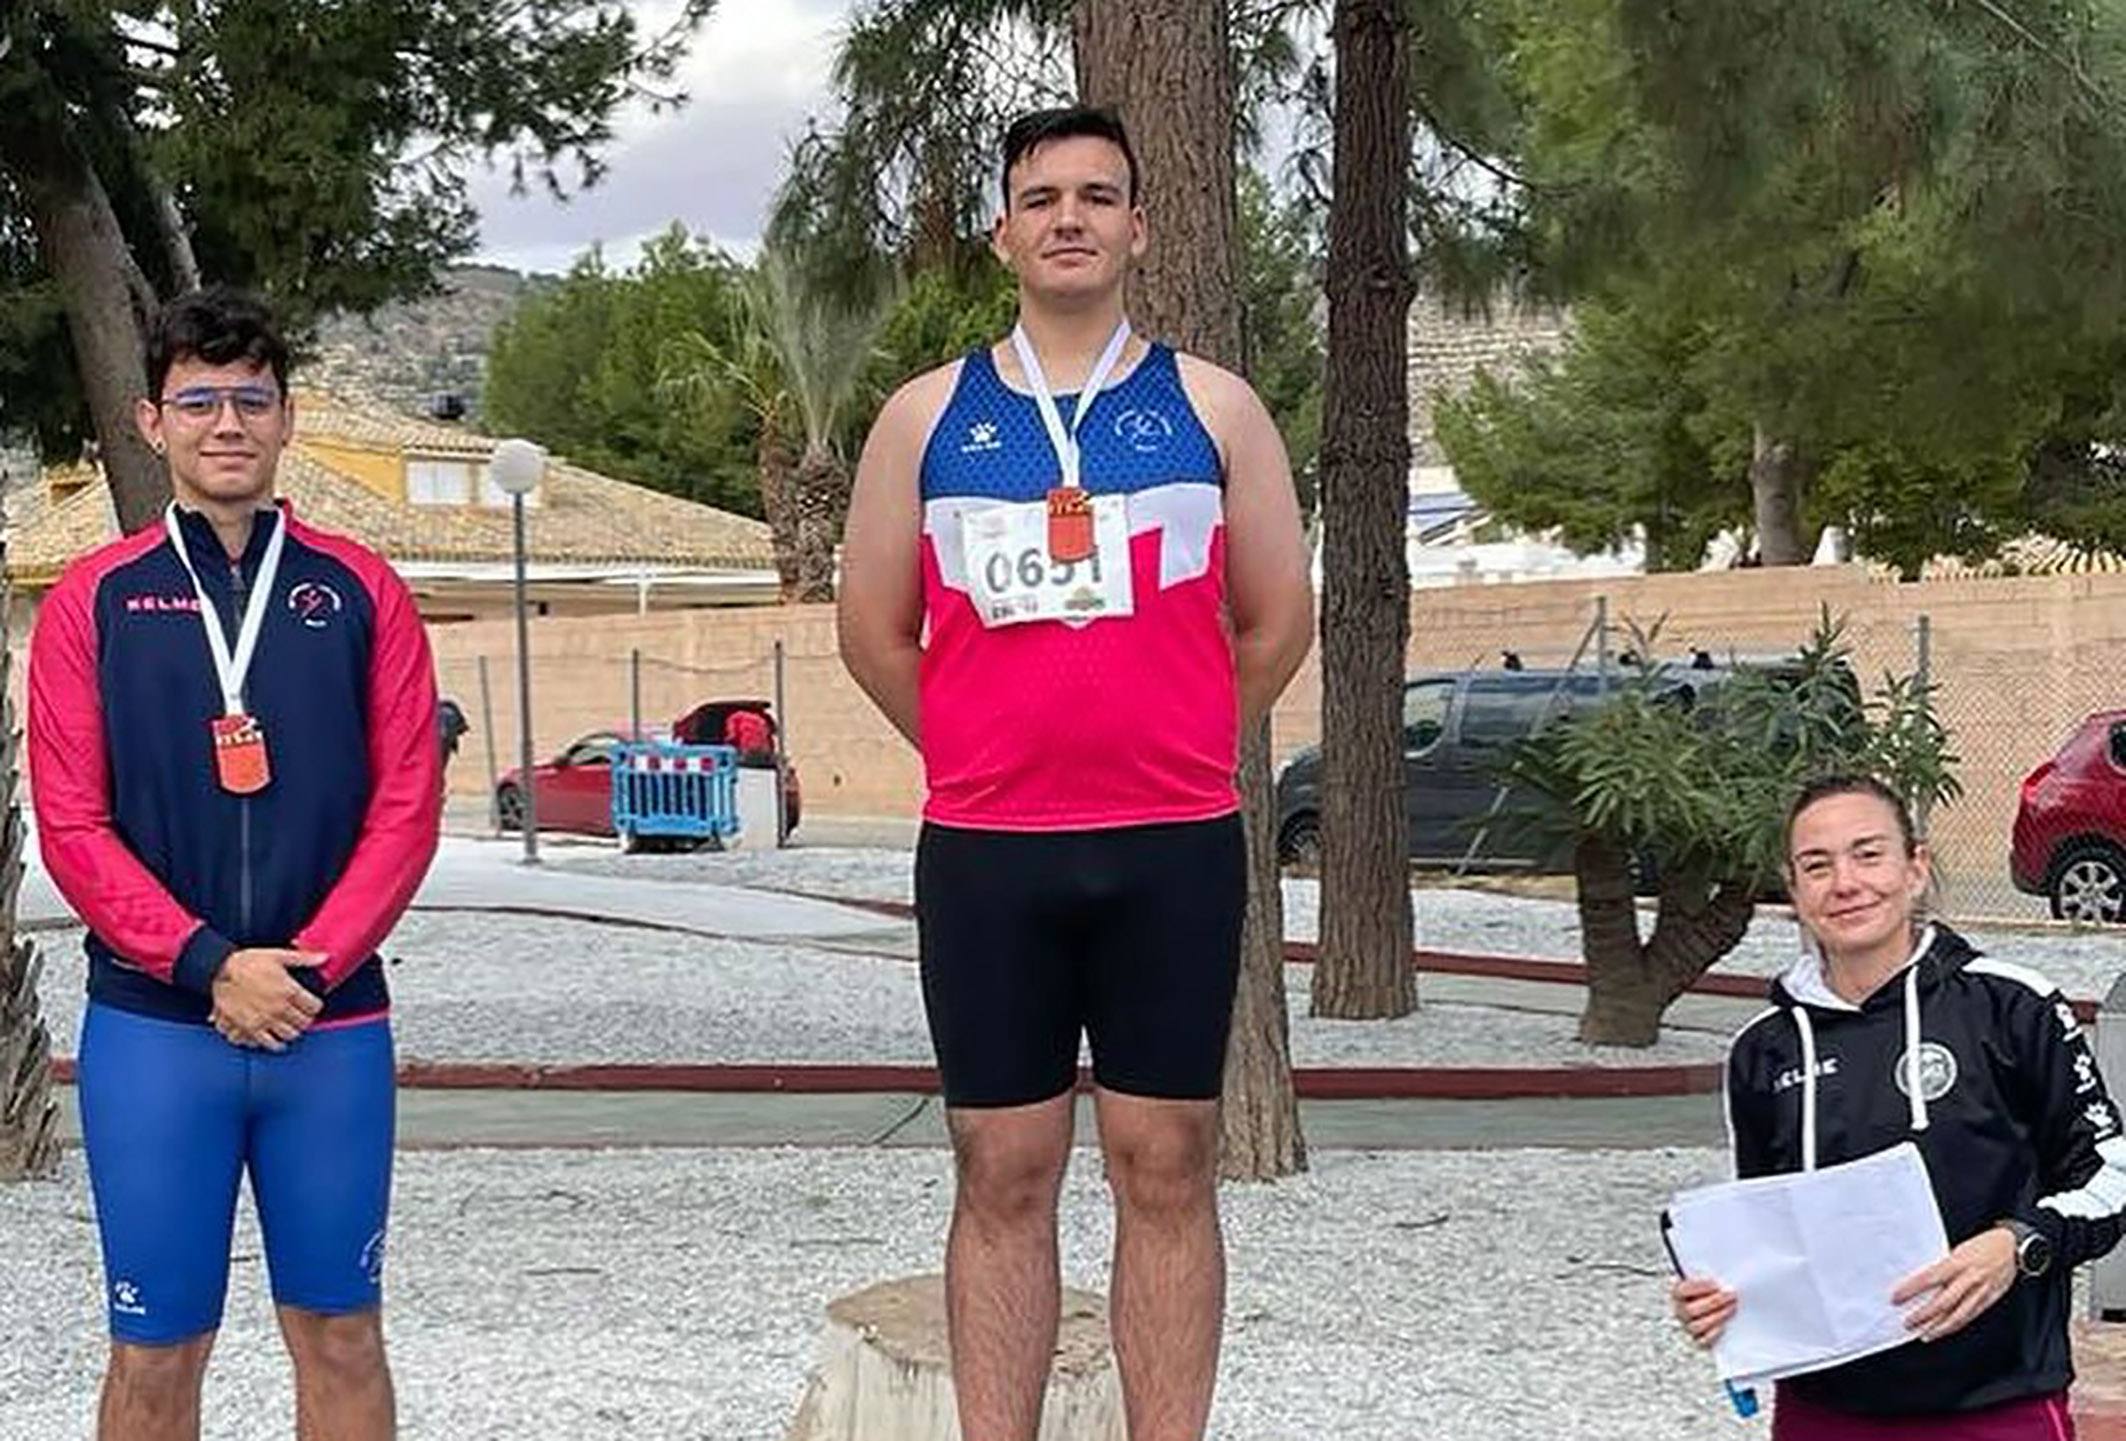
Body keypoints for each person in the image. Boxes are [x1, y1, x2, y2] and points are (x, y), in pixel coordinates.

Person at [837, 104, 1314, 1441]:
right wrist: (979, 750)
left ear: (1137, 228)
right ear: (1003, 231)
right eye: (1041, 196)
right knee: (1002, 1164)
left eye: (1096, 196)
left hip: (1168, 842)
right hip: (989, 849)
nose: (1068, 218)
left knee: (1164, 1164)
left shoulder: (1212, 409)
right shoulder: (923, 417)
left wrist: (1185, 741)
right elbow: (872, 631)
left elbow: (1277, 617)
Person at [28, 286, 442, 1441]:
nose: (226, 423)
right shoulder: (90, 602)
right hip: (158, 1033)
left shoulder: (360, 589)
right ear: (150, 421)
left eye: (249, 400)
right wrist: (211, 964)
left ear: (286, 418)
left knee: (344, 1336)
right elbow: (72, 824)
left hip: (330, 1026)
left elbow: (406, 807)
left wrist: (299, 970)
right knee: (155, 1352)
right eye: (198, 400)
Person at [1672, 773, 2126, 1439]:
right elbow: (1766, 1236)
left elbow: (2111, 1175)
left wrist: (2018, 1243)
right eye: (1816, 865)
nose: (1846, 882)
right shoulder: (1761, 1052)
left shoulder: (2011, 1006)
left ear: (1915, 868)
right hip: (1823, 1412)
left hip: (1998, 1405)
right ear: (1793, 891)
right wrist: (1720, 1303)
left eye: (1868, 853)